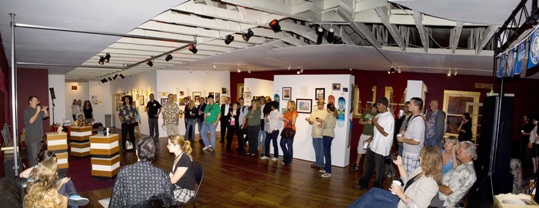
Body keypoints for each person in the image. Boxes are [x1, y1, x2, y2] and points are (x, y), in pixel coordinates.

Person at [349, 146, 442, 208]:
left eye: (421, 156)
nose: (419, 157)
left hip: (401, 205)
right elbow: (406, 180)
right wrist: (400, 165)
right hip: (400, 199)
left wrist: (401, 194)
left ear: (428, 160)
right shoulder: (421, 169)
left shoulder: (430, 184)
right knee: (373, 192)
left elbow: (417, 207)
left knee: (372, 203)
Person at [109, 136, 174, 207]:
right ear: (154, 154)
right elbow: (170, 201)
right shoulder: (162, 174)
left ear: (137, 152)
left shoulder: (124, 172)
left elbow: (115, 201)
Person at [21, 150, 89, 207]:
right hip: (41, 199)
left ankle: (73, 196)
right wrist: (62, 183)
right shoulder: (40, 183)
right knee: (65, 191)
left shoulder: (36, 168)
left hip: (39, 195)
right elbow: (50, 193)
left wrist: (34, 176)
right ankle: (73, 196)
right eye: (53, 161)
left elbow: (22, 174)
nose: (55, 163)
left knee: (66, 182)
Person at [354, 97, 394, 189]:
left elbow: (385, 133)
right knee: (367, 166)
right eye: (377, 105)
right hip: (373, 146)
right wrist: (370, 139)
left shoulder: (389, 117)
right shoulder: (378, 115)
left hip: (382, 148)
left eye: (379, 105)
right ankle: (363, 184)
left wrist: (375, 123)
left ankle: (377, 188)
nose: (377, 107)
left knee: (379, 171)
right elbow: (376, 131)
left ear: (384, 105)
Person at [432, 141, 478, 207]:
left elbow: (447, 191)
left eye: (460, 150)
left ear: (468, 154)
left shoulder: (466, 172)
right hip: (440, 193)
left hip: (443, 200)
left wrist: (433, 182)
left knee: (418, 192)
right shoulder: (464, 166)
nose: (457, 151)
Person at [397, 97, 425, 175]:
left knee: (410, 177)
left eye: (410, 103)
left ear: (416, 106)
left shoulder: (418, 121)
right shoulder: (413, 117)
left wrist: (402, 139)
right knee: (405, 175)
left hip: (413, 154)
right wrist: (405, 133)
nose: (409, 105)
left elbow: (416, 141)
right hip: (408, 152)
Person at [167, 135, 196, 203]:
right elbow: (172, 176)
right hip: (178, 186)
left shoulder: (184, 159)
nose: (167, 146)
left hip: (186, 191)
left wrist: (159, 184)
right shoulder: (177, 156)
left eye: (169, 144)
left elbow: (173, 180)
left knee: (161, 197)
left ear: (177, 146)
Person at [23, 95, 49, 167]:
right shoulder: (27, 111)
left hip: (38, 137)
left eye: (37, 101)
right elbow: (31, 121)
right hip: (31, 138)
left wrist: (44, 110)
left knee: (37, 157)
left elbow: (46, 116)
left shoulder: (37, 110)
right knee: (33, 158)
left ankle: (36, 172)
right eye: (34, 101)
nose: (36, 102)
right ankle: (32, 174)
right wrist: (37, 111)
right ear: (30, 102)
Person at [353, 104, 378, 170]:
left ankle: (370, 167)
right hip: (364, 133)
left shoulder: (378, 115)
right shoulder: (367, 112)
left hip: (373, 135)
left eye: (375, 109)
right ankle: (357, 164)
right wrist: (367, 122)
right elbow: (360, 122)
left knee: (371, 151)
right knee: (360, 149)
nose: (373, 110)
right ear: (371, 107)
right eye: (373, 108)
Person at [306, 98, 328, 170]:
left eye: (322, 104)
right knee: (316, 149)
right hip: (315, 133)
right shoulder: (314, 111)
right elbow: (311, 122)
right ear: (317, 104)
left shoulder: (326, 112)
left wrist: (321, 121)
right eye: (319, 104)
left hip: (322, 133)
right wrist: (309, 121)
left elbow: (328, 123)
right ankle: (318, 163)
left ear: (323, 104)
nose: (320, 106)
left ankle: (321, 164)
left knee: (321, 150)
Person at [319, 103, 337, 178]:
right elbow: (327, 124)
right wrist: (323, 123)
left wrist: (322, 122)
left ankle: (328, 172)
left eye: (327, 108)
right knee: (326, 153)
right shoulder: (332, 115)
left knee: (327, 154)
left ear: (329, 109)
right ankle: (326, 168)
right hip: (328, 134)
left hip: (328, 135)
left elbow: (327, 125)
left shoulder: (330, 115)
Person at [280, 101, 298, 165]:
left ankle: (288, 160)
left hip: (291, 130)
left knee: (289, 146)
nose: (287, 105)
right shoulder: (286, 112)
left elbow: (293, 123)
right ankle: (287, 156)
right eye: (287, 103)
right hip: (285, 129)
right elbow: (284, 119)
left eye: (289, 104)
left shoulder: (294, 112)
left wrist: (286, 120)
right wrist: (282, 118)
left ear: (292, 105)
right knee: (282, 144)